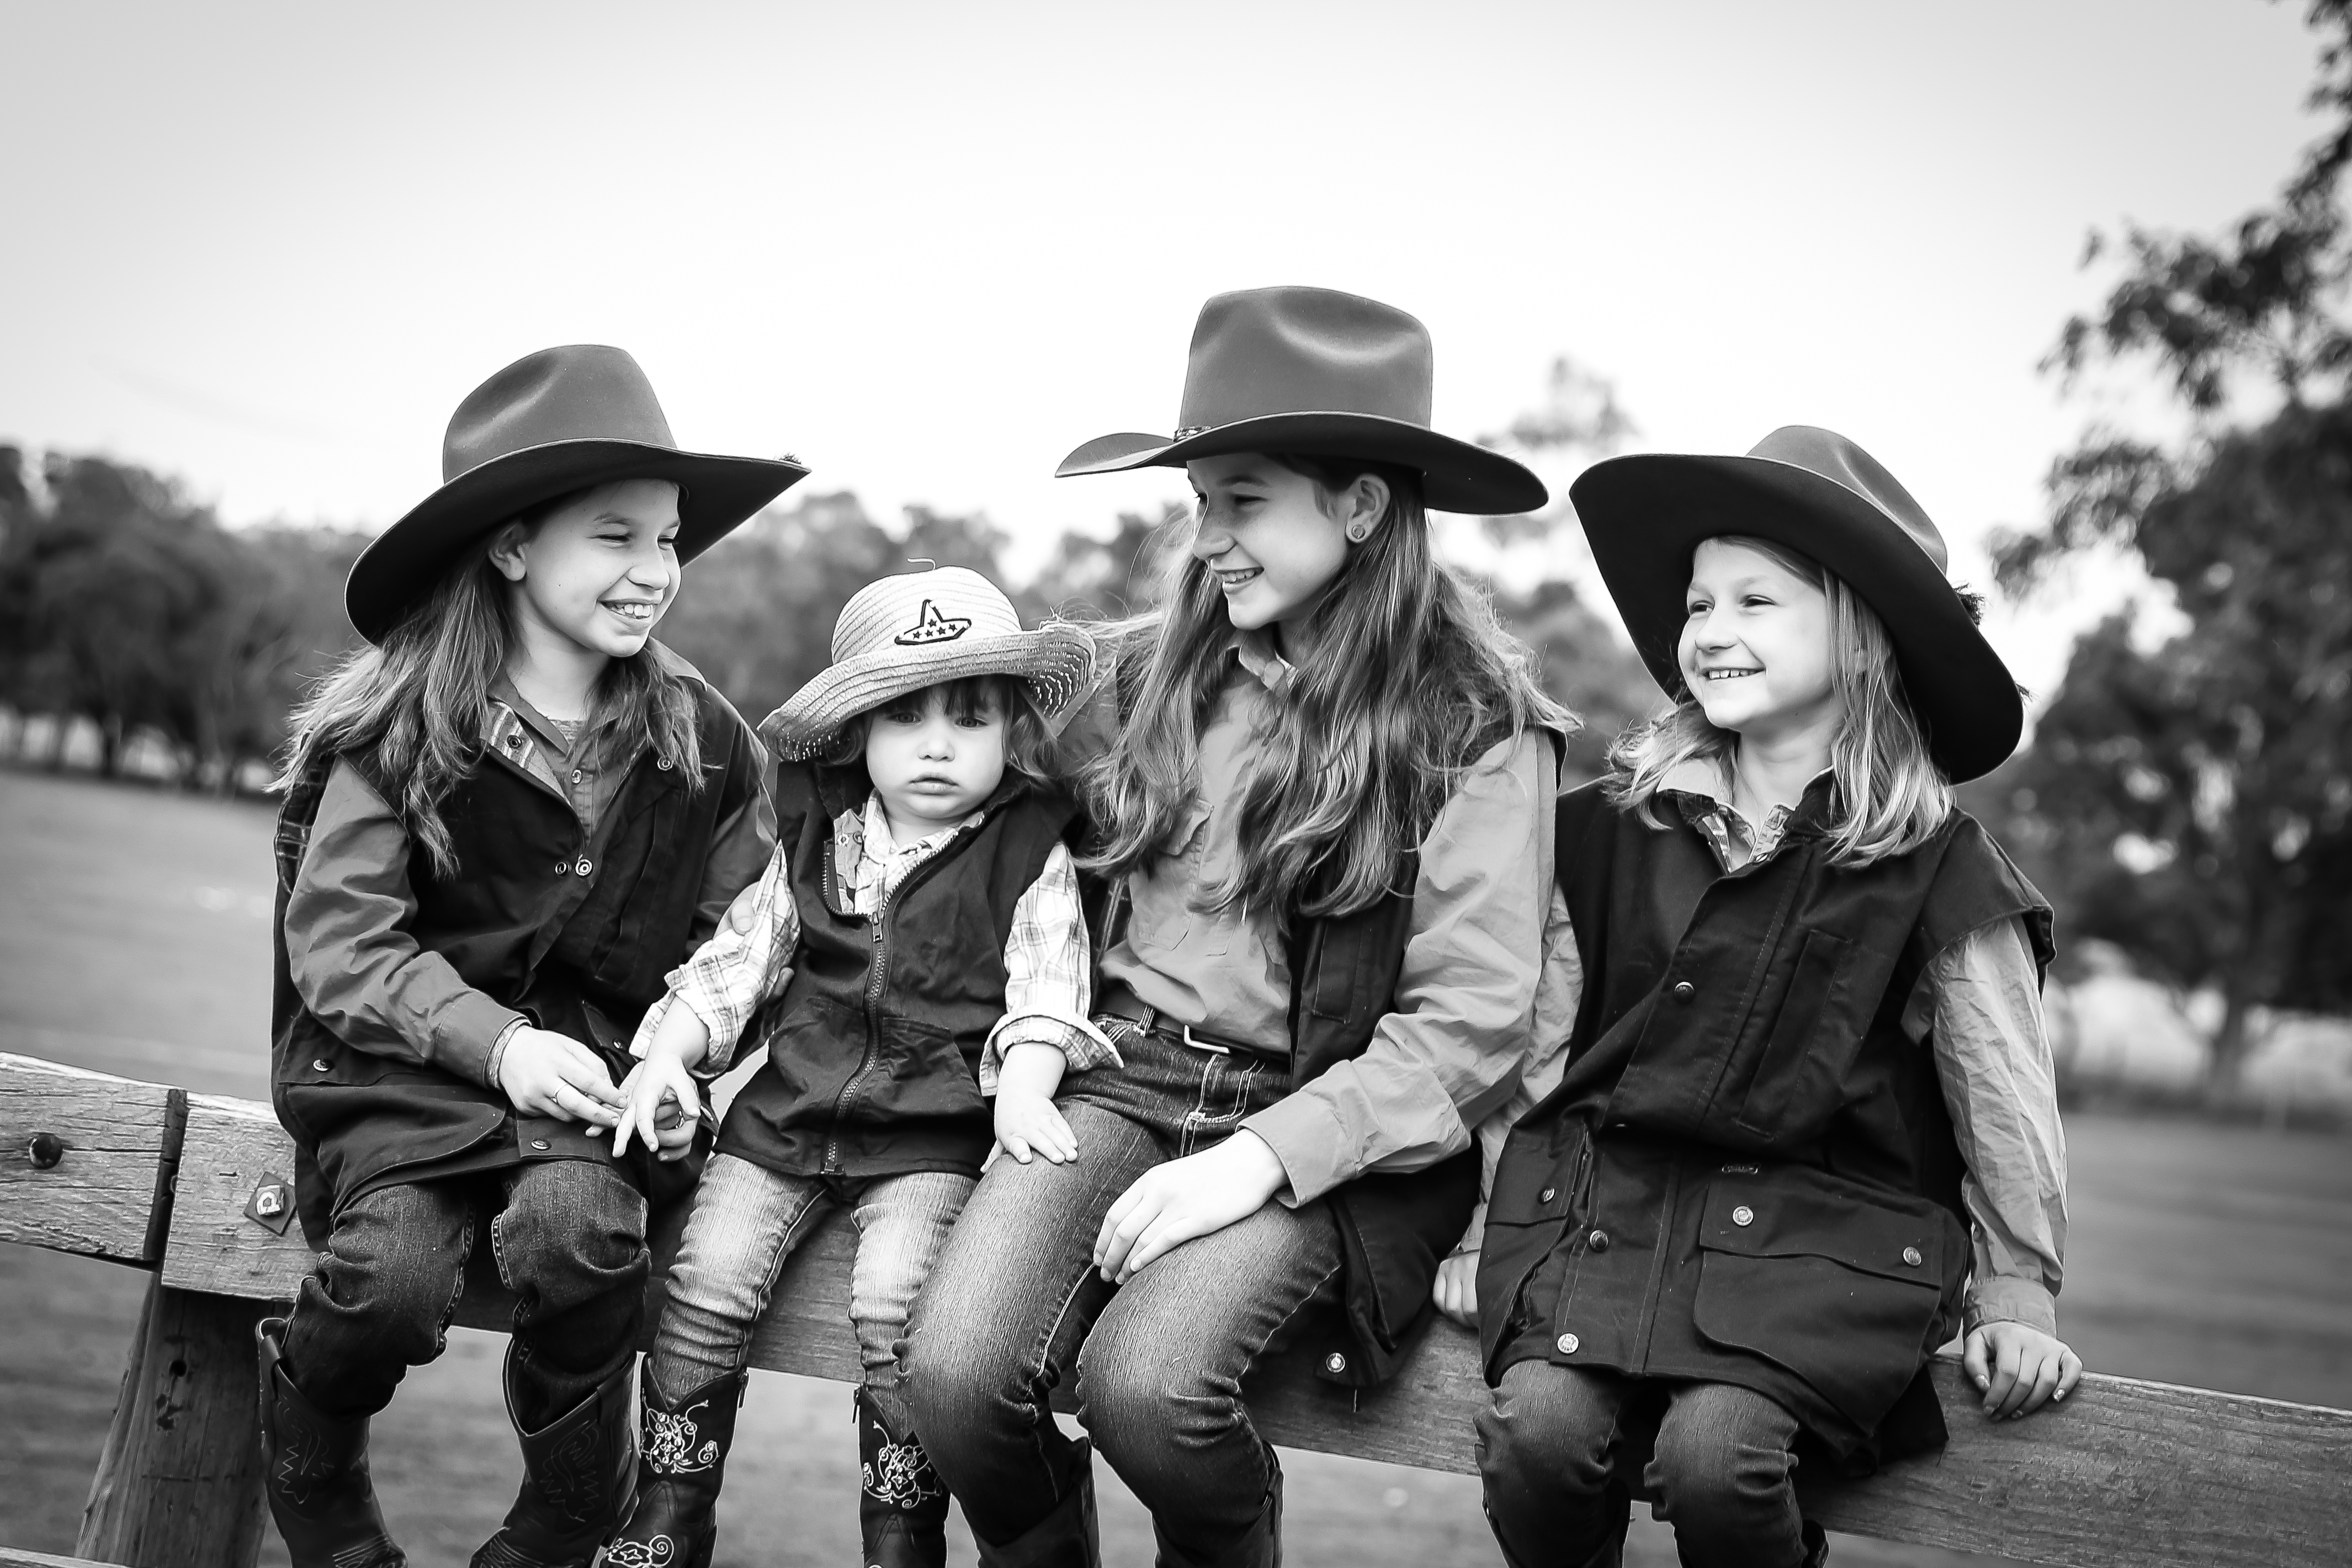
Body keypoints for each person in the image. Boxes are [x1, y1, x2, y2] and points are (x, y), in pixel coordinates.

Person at [905, 285, 1574, 1568]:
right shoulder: (1144, 672)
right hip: (1120, 1068)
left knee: (1149, 1390)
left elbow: (1472, 1021)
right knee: (954, 1371)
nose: (1208, 536)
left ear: (1361, 507)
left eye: (1244, 499)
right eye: (1199, 500)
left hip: (1322, 1117)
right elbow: (954, 760)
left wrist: (1256, 1159)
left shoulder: (1478, 724)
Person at [1473, 428, 2080, 1568]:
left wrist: (2015, 1290)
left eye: (1756, 601)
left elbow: (2001, 1094)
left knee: (1717, 1459)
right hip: (1605, 1217)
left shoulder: (1939, 865)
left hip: (1819, 1255)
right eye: (1699, 605)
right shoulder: (1606, 828)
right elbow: (1536, 1047)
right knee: (1535, 1435)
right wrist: (1479, 1222)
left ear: (1859, 638)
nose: (1709, 630)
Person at [258, 345, 804, 1568]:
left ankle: (566, 1510)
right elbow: (341, 942)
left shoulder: (703, 738)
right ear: (512, 546)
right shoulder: (400, 726)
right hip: (399, 1078)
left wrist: (679, 1067)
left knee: (580, 1235)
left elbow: (745, 939)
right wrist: (496, 1043)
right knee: (388, 1276)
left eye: (667, 540)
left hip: (594, 1086)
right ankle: (315, 1478)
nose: (655, 571)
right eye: (616, 537)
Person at [595, 565, 1107, 1568]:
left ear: (1010, 733)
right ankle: (670, 1505)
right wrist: (664, 1053)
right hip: (785, 1121)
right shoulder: (813, 839)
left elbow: (1050, 984)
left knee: (893, 1302)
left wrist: (1031, 1083)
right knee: (708, 1273)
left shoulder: (1025, 850)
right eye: (906, 717)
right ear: (858, 732)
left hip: (929, 1137)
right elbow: (737, 966)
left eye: (969, 719)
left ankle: (900, 1533)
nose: (936, 743)